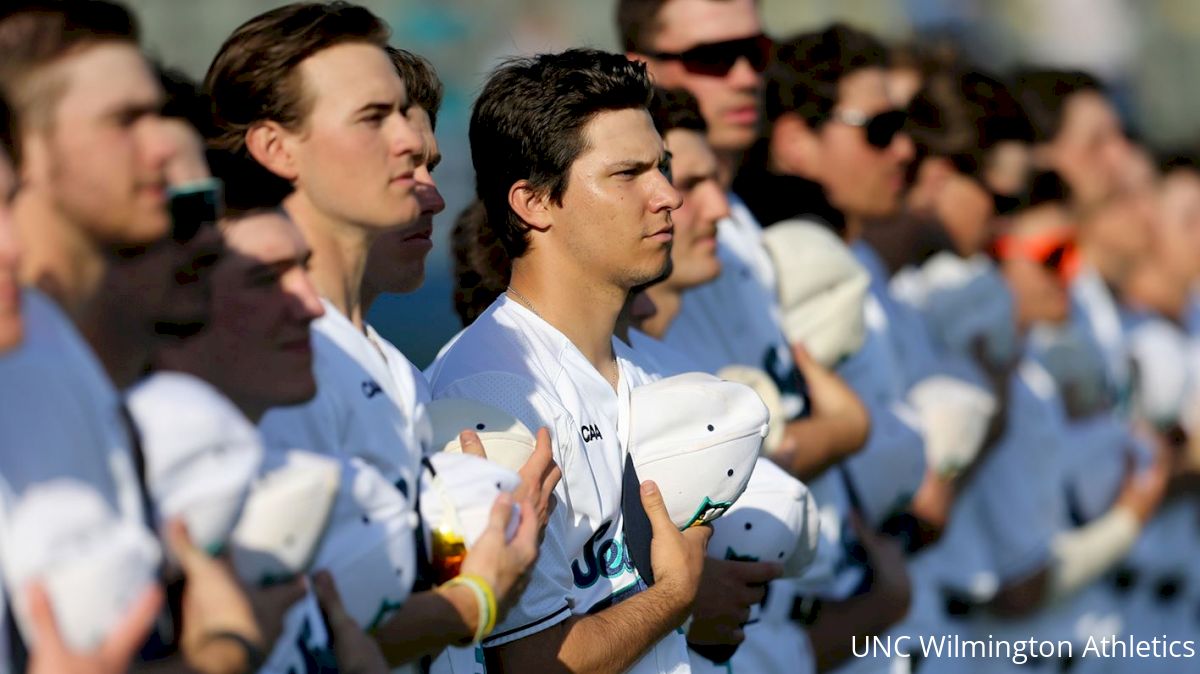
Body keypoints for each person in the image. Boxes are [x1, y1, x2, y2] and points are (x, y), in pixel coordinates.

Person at [205, 2, 551, 668]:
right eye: (372, 118)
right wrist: (478, 596)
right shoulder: (264, 354)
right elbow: (299, 624)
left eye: (402, 113)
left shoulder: (386, 361)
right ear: (276, 148)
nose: (405, 142)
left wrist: (466, 532)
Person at [427, 48, 709, 674]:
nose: (668, 196)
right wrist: (675, 593)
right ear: (532, 202)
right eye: (627, 174)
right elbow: (534, 665)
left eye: (661, 167)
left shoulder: (646, 372)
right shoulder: (494, 391)